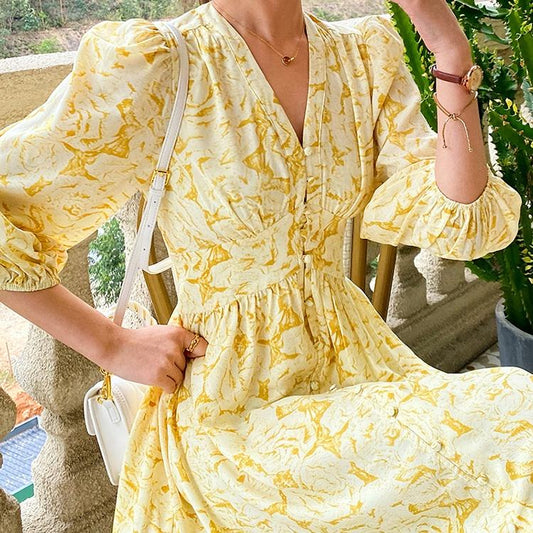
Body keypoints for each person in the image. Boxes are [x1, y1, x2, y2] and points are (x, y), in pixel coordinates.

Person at [0, 0, 531, 530]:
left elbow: (462, 217)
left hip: (358, 363)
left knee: (512, 426)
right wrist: (110, 344)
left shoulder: (363, 55)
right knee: (514, 424)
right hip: (233, 409)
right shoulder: (158, 64)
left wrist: (448, 48)